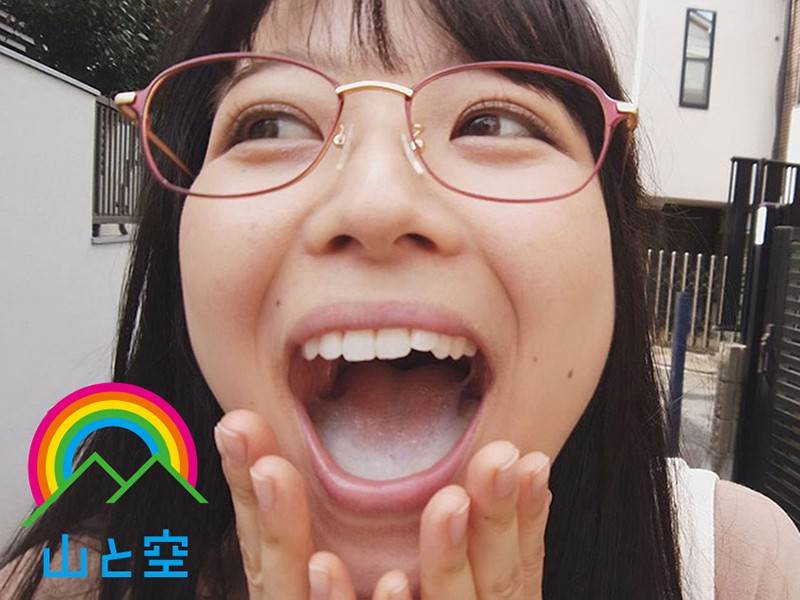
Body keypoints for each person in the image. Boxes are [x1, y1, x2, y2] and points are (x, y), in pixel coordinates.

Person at [2, 0, 799, 598]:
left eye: (493, 121)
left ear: (613, 229)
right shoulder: (64, 582)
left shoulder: (742, 572)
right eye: (272, 123)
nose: (375, 202)